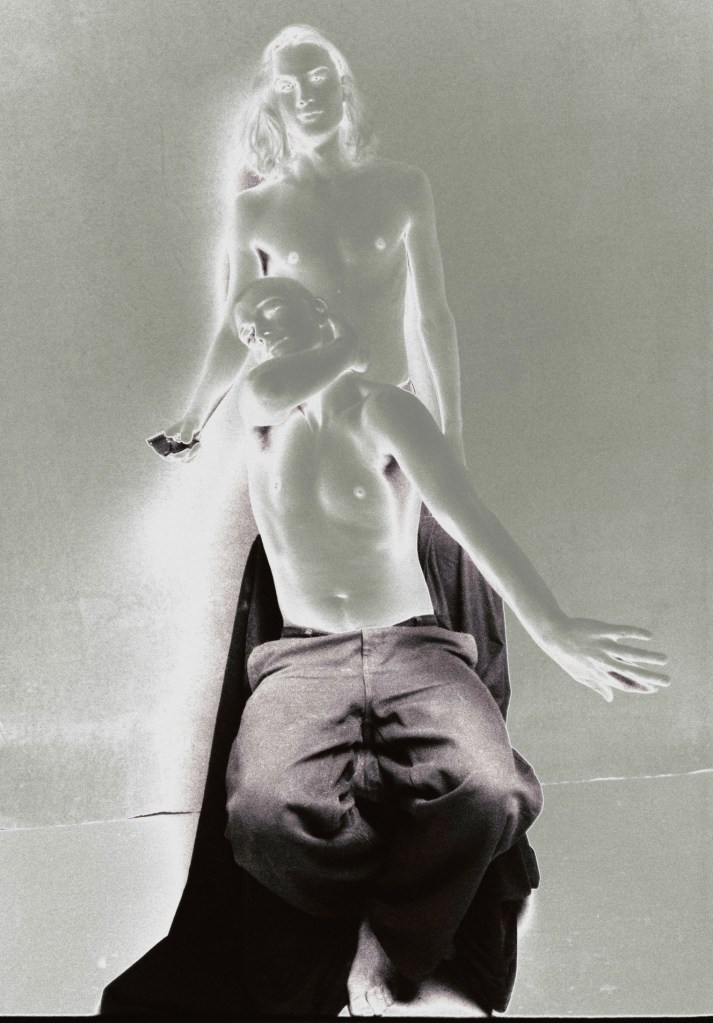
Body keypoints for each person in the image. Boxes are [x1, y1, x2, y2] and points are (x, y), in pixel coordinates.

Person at [213, 275, 669, 1017]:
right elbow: (275, 380)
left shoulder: (388, 409)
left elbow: (465, 513)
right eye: (244, 327)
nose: (255, 327)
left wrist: (550, 623)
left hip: (414, 651)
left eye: (268, 307)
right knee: (262, 814)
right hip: (302, 660)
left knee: (490, 790)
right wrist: (347, 341)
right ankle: (391, 884)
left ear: (317, 308)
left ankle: (389, 936)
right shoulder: (262, 409)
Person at [164, 23, 463, 458]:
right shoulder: (254, 210)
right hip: (305, 422)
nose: (305, 96)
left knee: (424, 503)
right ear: (273, 103)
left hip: (392, 411)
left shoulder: (405, 187)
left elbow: (433, 317)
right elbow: (237, 324)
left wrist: (452, 430)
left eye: (318, 78)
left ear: (343, 88)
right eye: (288, 86)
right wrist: (194, 419)